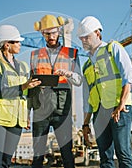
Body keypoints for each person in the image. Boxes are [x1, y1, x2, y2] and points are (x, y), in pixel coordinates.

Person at [78, 16, 132, 168]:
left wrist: (121, 104)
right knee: (105, 157)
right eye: (81, 38)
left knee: (123, 153)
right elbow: (87, 99)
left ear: (97, 33)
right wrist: (85, 124)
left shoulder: (113, 49)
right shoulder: (87, 65)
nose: (84, 41)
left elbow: (128, 77)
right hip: (99, 114)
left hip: (119, 110)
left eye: (87, 37)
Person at [28, 14, 82, 168]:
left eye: (53, 32)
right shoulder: (35, 55)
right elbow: (30, 88)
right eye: (46, 33)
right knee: (37, 155)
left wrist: (68, 73)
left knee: (67, 154)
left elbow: (78, 81)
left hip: (62, 110)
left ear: (59, 31)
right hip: (40, 109)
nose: (51, 36)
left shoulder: (72, 54)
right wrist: (26, 113)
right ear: (42, 34)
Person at [0, 24, 41, 168]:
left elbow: (26, 95)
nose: (20, 44)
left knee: (6, 162)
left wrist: (27, 116)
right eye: (16, 42)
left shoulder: (23, 66)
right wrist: (24, 86)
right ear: (6, 45)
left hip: (17, 121)